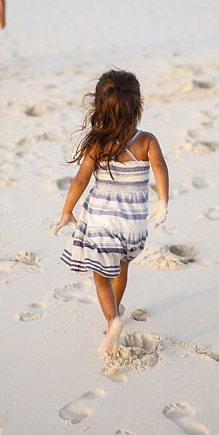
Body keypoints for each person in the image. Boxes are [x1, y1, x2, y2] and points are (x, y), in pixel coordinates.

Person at [52, 69, 170, 358]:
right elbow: (160, 167)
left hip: (103, 224)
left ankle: (112, 320)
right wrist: (163, 200)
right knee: (122, 266)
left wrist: (68, 211)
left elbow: (80, 180)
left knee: (100, 276)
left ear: (99, 107)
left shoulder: (98, 144)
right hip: (134, 227)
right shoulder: (147, 141)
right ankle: (116, 307)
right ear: (137, 106)